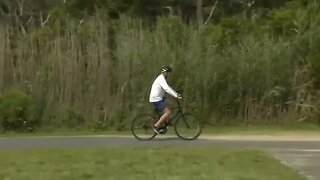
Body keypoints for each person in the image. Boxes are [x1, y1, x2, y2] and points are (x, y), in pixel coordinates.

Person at [149, 66, 182, 134]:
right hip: (156, 99)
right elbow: (167, 89)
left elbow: (169, 88)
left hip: (159, 98)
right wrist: (176, 96)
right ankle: (156, 126)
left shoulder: (162, 79)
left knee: (171, 106)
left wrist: (176, 94)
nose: (169, 75)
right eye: (169, 73)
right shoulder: (161, 79)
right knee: (168, 112)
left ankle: (163, 124)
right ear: (165, 73)